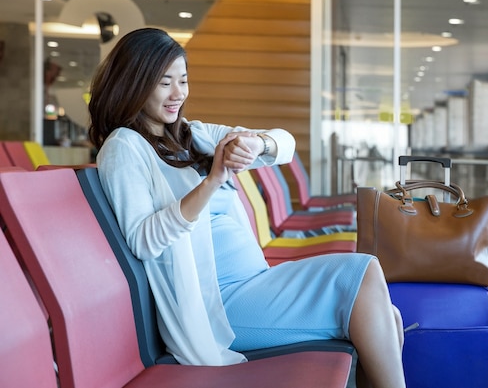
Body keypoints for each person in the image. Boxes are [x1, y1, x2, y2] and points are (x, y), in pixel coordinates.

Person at [88, 27, 405, 388]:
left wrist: (259, 144)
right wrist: (211, 181)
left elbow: (285, 144)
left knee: (388, 316)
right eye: (164, 83)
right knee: (362, 274)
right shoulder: (124, 147)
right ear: (135, 82)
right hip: (219, 308)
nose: (178, 94)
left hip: (256, 283)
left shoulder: (192, 134)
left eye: (184, 80)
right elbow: (144, 240)